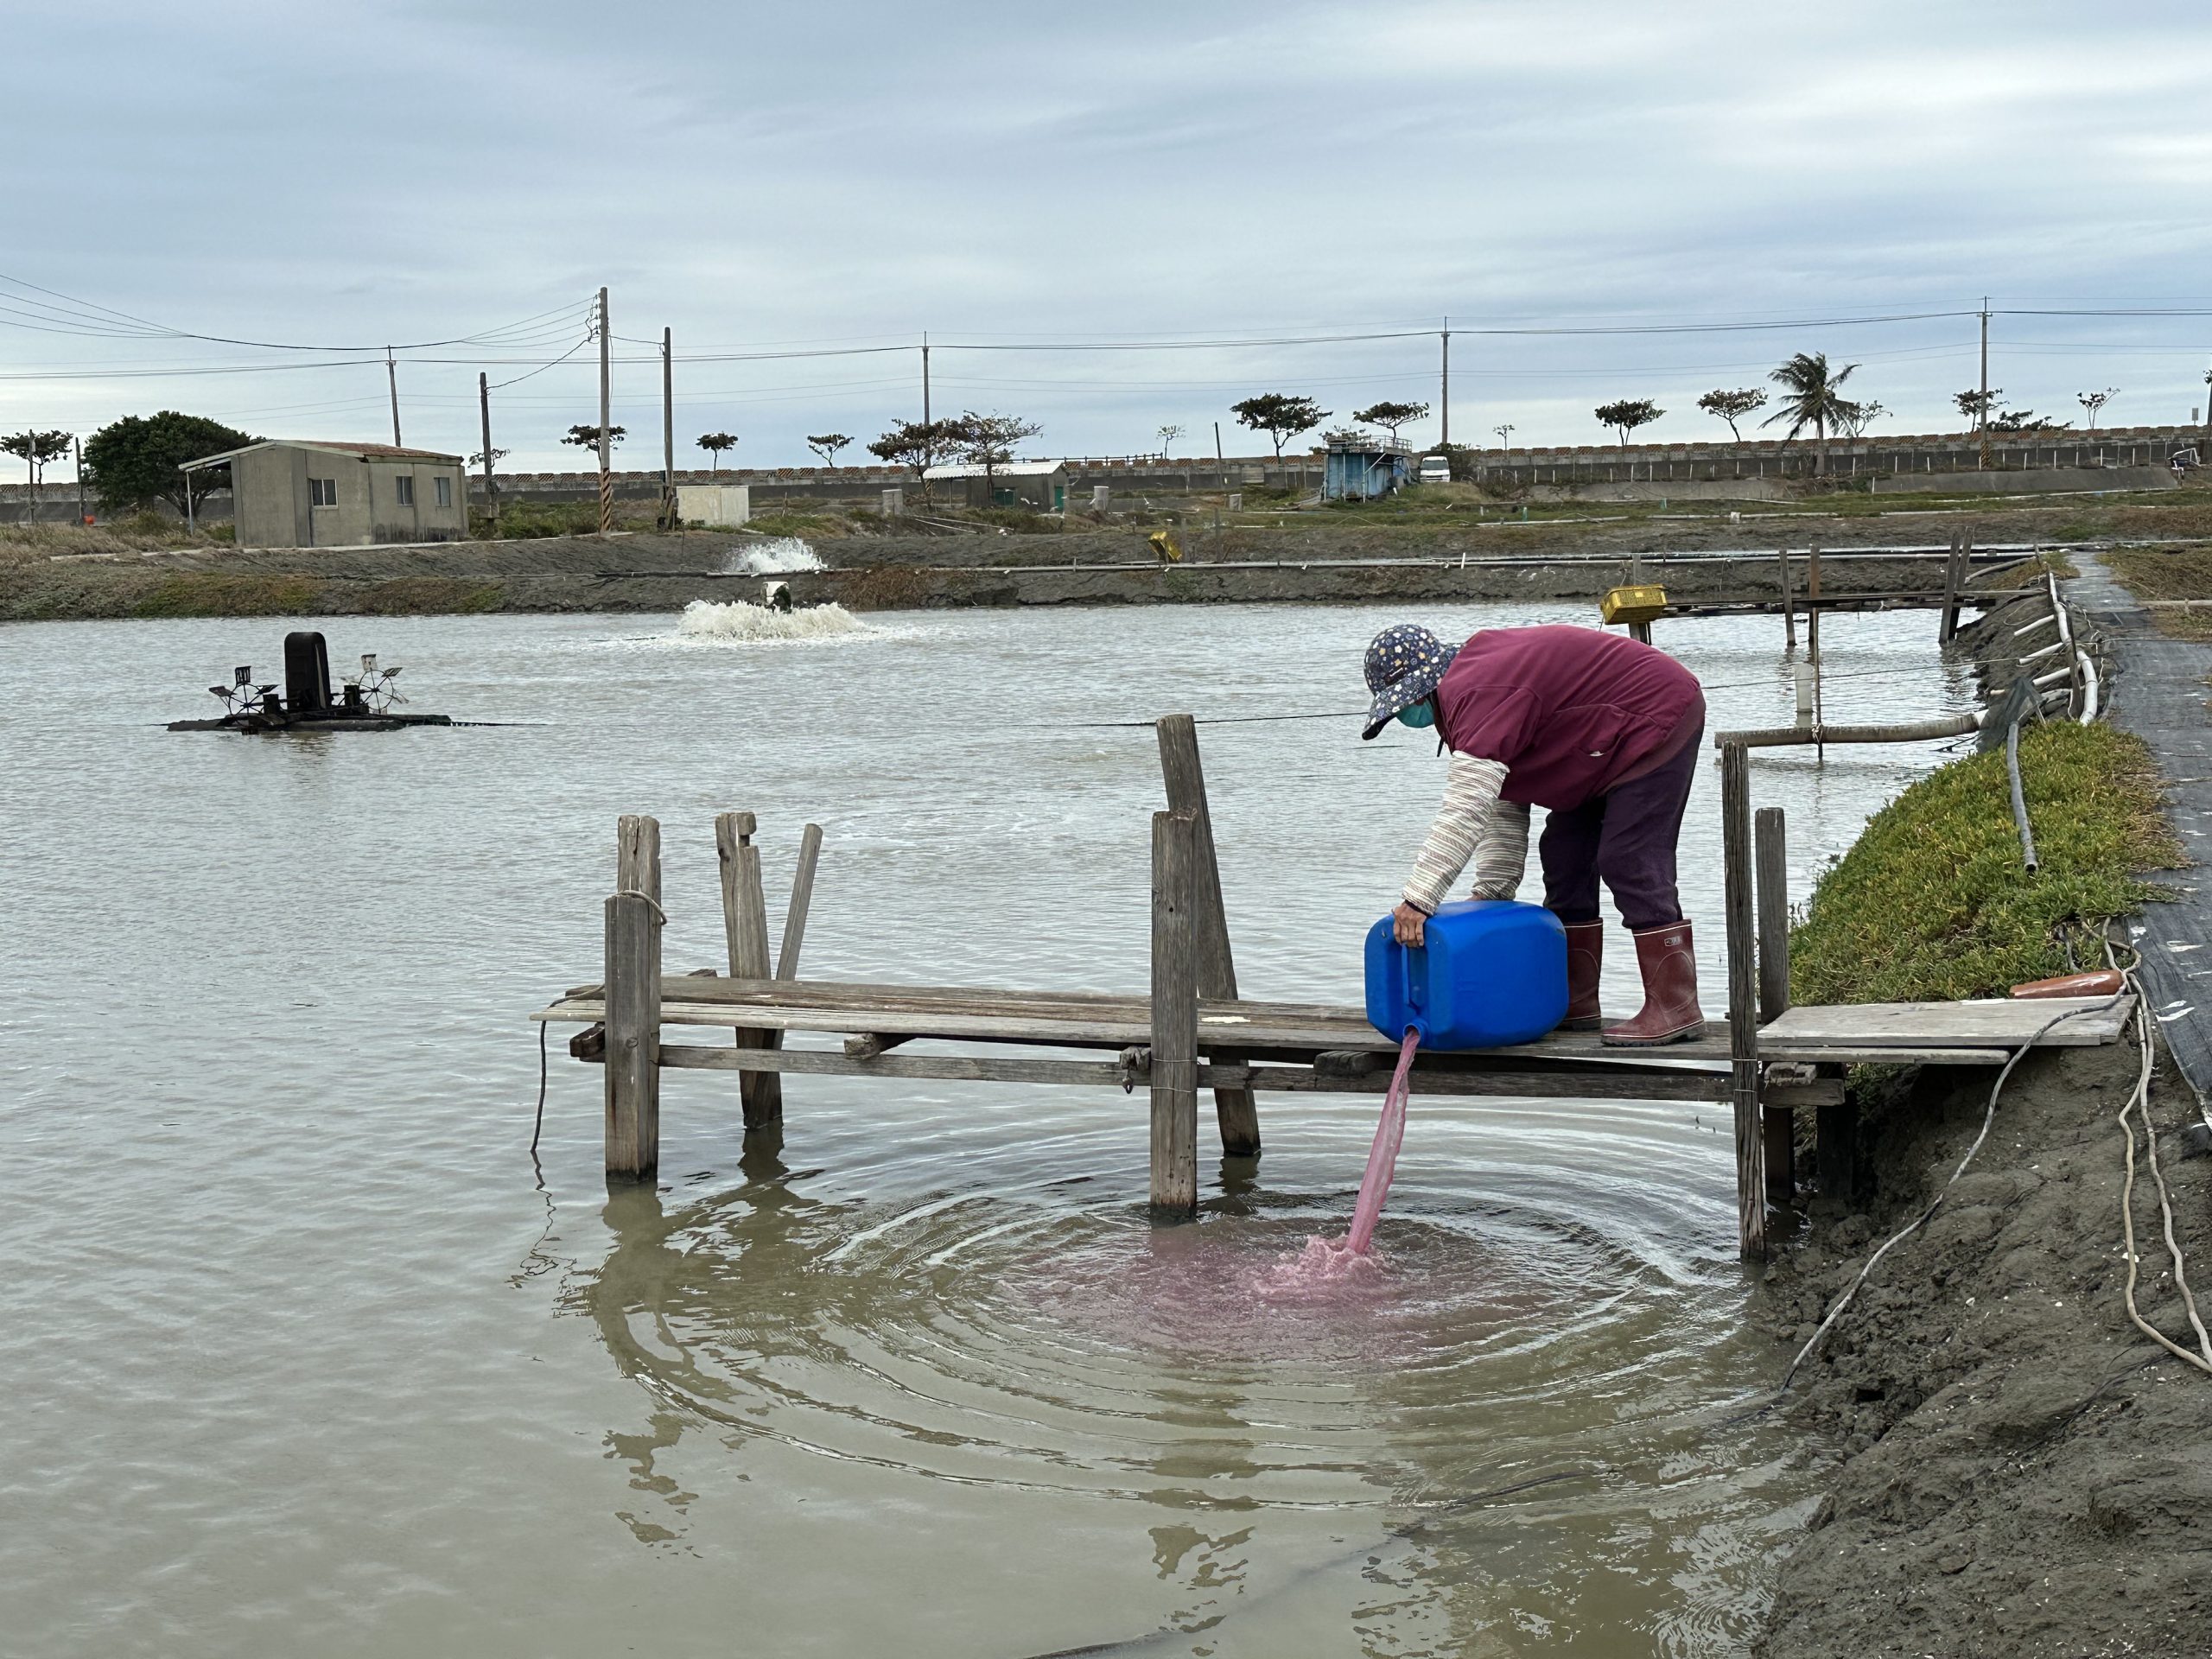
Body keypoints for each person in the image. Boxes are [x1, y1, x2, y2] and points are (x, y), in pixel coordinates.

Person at [1361, 621, 1707, 1046]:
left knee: (1627, 855)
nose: (1403, 717)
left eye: (1400, 708)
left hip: (1656, 713)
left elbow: (1465, 810)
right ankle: (1573, 1002)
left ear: (1418, 690)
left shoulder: (1478, 692)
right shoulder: (1468, 695)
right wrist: (1492, 892)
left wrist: (1418, 899)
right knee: (1564, 854)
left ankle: (1676, 1006)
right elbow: (1502, 801)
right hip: (1599, 741)